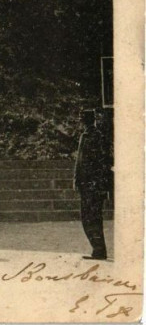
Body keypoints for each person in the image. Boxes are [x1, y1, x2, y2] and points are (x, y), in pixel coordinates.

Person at [74, 107, 113, 260]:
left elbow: (103, 162)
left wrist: (100, 185)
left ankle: (99, 250)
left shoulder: (96, 136)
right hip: (87, 184)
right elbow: (80, 161)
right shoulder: (87, 135)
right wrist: (77, 179)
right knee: (89, 217)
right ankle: (97, 249)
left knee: (92, 217)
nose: (80, 122)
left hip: (93, 185)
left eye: (82, 119)